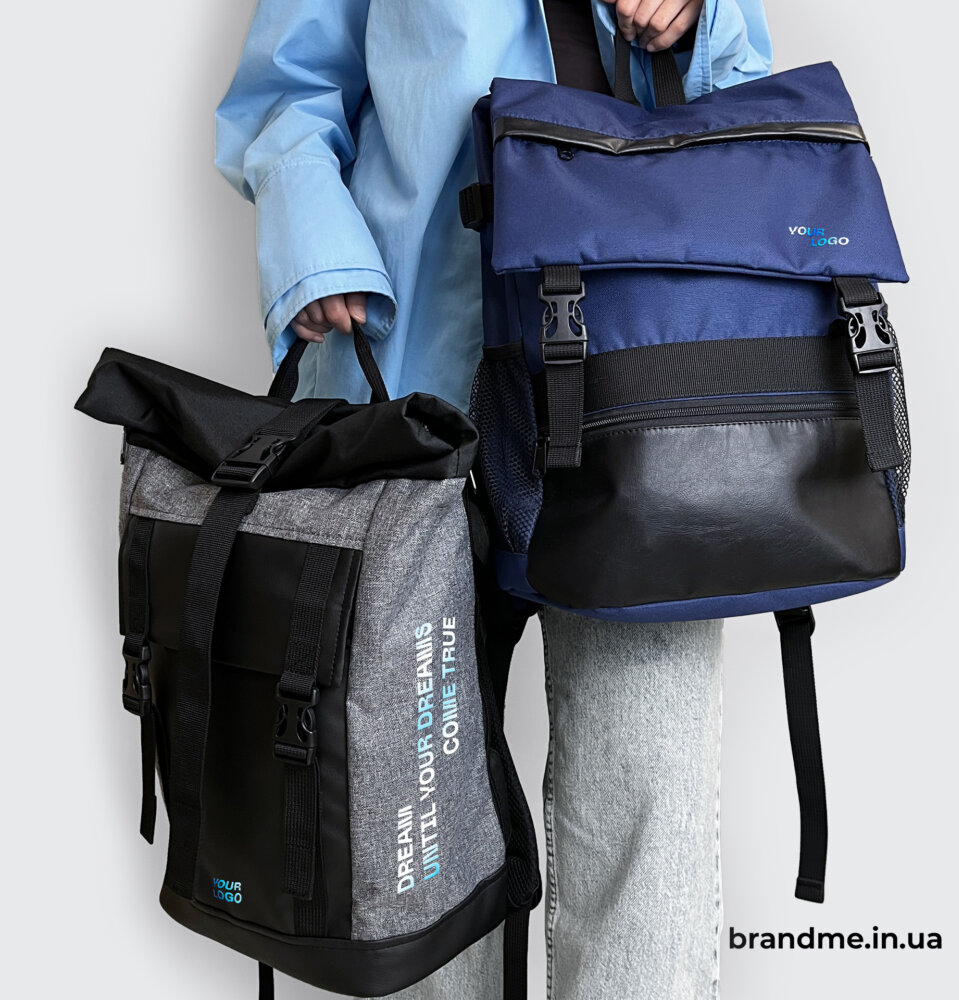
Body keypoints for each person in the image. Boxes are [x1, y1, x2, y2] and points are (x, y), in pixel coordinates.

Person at [216, 3, 772, 997]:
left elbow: (742, 107)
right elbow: (289, 90)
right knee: (413, 826)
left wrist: (698, 18)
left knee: (652, 805)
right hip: (411, 385)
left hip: (634, 398)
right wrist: (317, 251)